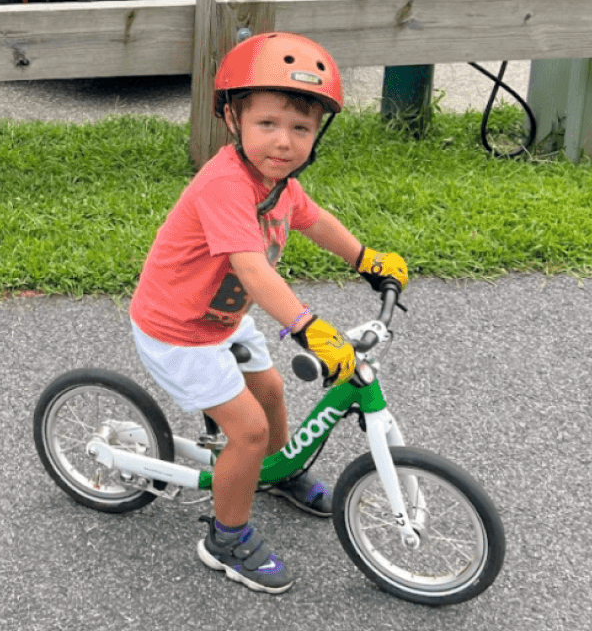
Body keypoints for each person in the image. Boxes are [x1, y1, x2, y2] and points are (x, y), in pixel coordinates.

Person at [127, 31, 409, 595]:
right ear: (233, 120)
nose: (283, 142)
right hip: (178, 331)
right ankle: (225, 537)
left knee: (273, 391)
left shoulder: (278, 184)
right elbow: (254, 271)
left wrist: (365, 258)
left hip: (223, 321)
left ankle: (279, 474)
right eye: (267, 125)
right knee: (249, 431)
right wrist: (309, 328)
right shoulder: (225, 187)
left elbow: (315, 219)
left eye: (300, 128)